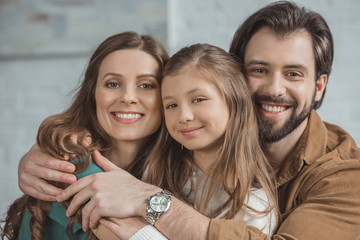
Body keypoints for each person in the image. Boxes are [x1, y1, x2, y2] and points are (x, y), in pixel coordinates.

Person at [16, 1, 360, 239]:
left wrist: (147, 200)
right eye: (259, 69)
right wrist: (49, 150)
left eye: (294, 74)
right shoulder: (182, 144)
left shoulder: (345, 178)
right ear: (236, 80)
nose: (274, 88)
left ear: (318, 86)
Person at [0, 31, 169, 240]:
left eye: (146, 85)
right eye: (113, 84)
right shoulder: (70, 167)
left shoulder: (175, 170)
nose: (128, 97)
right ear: (93, 93)